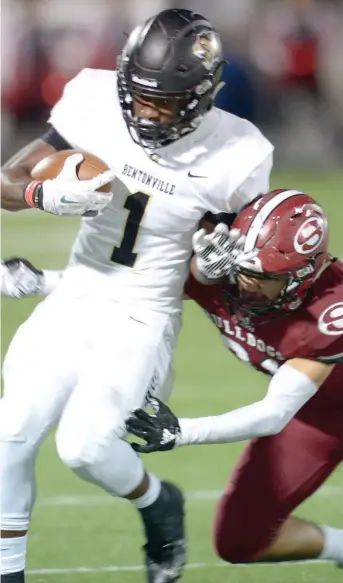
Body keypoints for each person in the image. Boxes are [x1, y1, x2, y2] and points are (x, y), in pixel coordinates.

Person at [0, 8, 274, 583]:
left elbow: (216, 266)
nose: (147, 111)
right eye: (139, 96)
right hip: (76, 295)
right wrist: (39, 195)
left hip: (143, 314)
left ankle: (158, 503)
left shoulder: (239, 152)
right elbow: (7, 181)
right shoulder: (91, 97)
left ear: (202, 97)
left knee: (84, 448)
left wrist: (224, 260)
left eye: (165, 102)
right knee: (12, 430)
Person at [125, 188, 343, 568]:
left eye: (262, 276)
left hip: (312, 409)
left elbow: (274, 414)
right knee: (240, 542)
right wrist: (42, 281)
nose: (245, 283)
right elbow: (125, 288)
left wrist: (182, 432)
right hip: (316, 419)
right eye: (243, 269)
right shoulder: (222, 267)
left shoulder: (330, 310)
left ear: (302, 276)